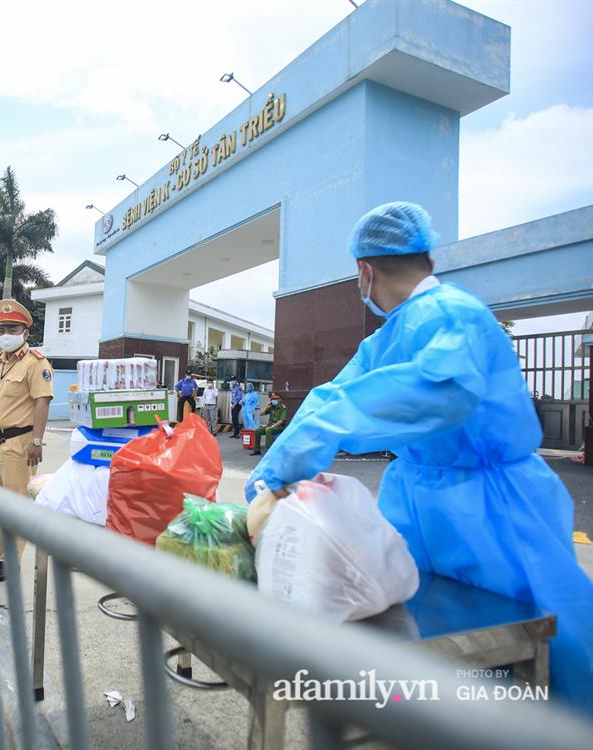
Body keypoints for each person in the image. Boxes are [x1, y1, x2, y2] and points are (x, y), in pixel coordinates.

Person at [245, 201, 593, 711]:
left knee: (524, 644)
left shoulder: (452, 314)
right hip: (416, 501)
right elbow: (331, 397)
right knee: (425, 639)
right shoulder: (389, 336)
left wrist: (320, 433)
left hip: (492, 508)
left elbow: (442, 389)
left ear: (365, 271)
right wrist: (275, 470)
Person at [0, 299, 54, 584]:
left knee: (16, 505)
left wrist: (37, 441)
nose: (5, 334)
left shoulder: (36, 364)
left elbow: (42, 402)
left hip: (19, 443)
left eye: (12, 328)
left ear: (25, 333)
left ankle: (9, 562)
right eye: (2, 329)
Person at [249, 392, 287, 456]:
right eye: (272, 399)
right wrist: (267, 407)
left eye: (275, 399)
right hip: (270, 426)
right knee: (258, 431)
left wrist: (271, 427)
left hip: (279, 427)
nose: (273, 401)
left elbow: (281, 421)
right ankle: (257, 449)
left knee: (268, 430)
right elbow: (261, 414)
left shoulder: (283, 408)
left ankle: (268, 451)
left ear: (279, 400)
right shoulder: (272, 407)